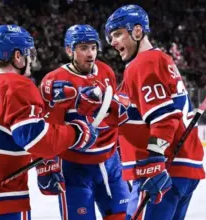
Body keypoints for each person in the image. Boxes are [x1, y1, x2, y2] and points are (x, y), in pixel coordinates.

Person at [0, 24, 98, 220]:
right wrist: (77, 132)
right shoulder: (19, 85)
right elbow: (35, 138)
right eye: (28, 52)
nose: (31, 58)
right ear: (17, 56)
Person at [103, 4, 205, 219]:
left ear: (137, 31)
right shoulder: (160, 59)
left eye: (118, 34)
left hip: (164, 169)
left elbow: (164, 118)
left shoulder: (144, 63)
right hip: (183, 167)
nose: (113, 42)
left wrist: (155, 159)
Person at [38, 24, 130, 220]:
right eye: (83, 48)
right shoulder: (54, 80)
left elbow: (115, 119)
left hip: (111, 163)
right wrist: (46, 166)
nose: (90, 53)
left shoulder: (106, 71)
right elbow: (48, 130)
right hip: (75, 168)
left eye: (94, 47)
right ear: (69, 50)